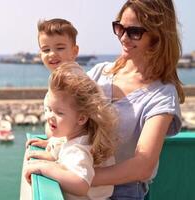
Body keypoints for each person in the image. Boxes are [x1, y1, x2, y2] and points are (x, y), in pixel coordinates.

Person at [87, 0, 184, 199]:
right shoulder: (99, 73)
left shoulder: (162, 94)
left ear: (157, 36)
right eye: (119, 27)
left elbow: (143, 166)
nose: (123, 37)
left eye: (134, 32)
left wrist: (82, 175)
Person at [24, 62, 118, 200]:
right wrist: (52, 151)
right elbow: (66, 153)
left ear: (81, 118)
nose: (50, 116)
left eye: (59, 113)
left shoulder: (78, 150)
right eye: (49, 109)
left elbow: (81, 184)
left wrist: (45, 169)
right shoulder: (79, 136)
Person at [19, 18, 80, 200]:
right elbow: (70, 124)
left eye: (60, 48)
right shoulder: (62, 77)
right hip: (70, 151)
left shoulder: (73, 82)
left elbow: (85, 127)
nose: (52, 54)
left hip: (78, 161)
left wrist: (56, 152)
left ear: (75, 51)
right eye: (46, 50)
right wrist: (53, 142)